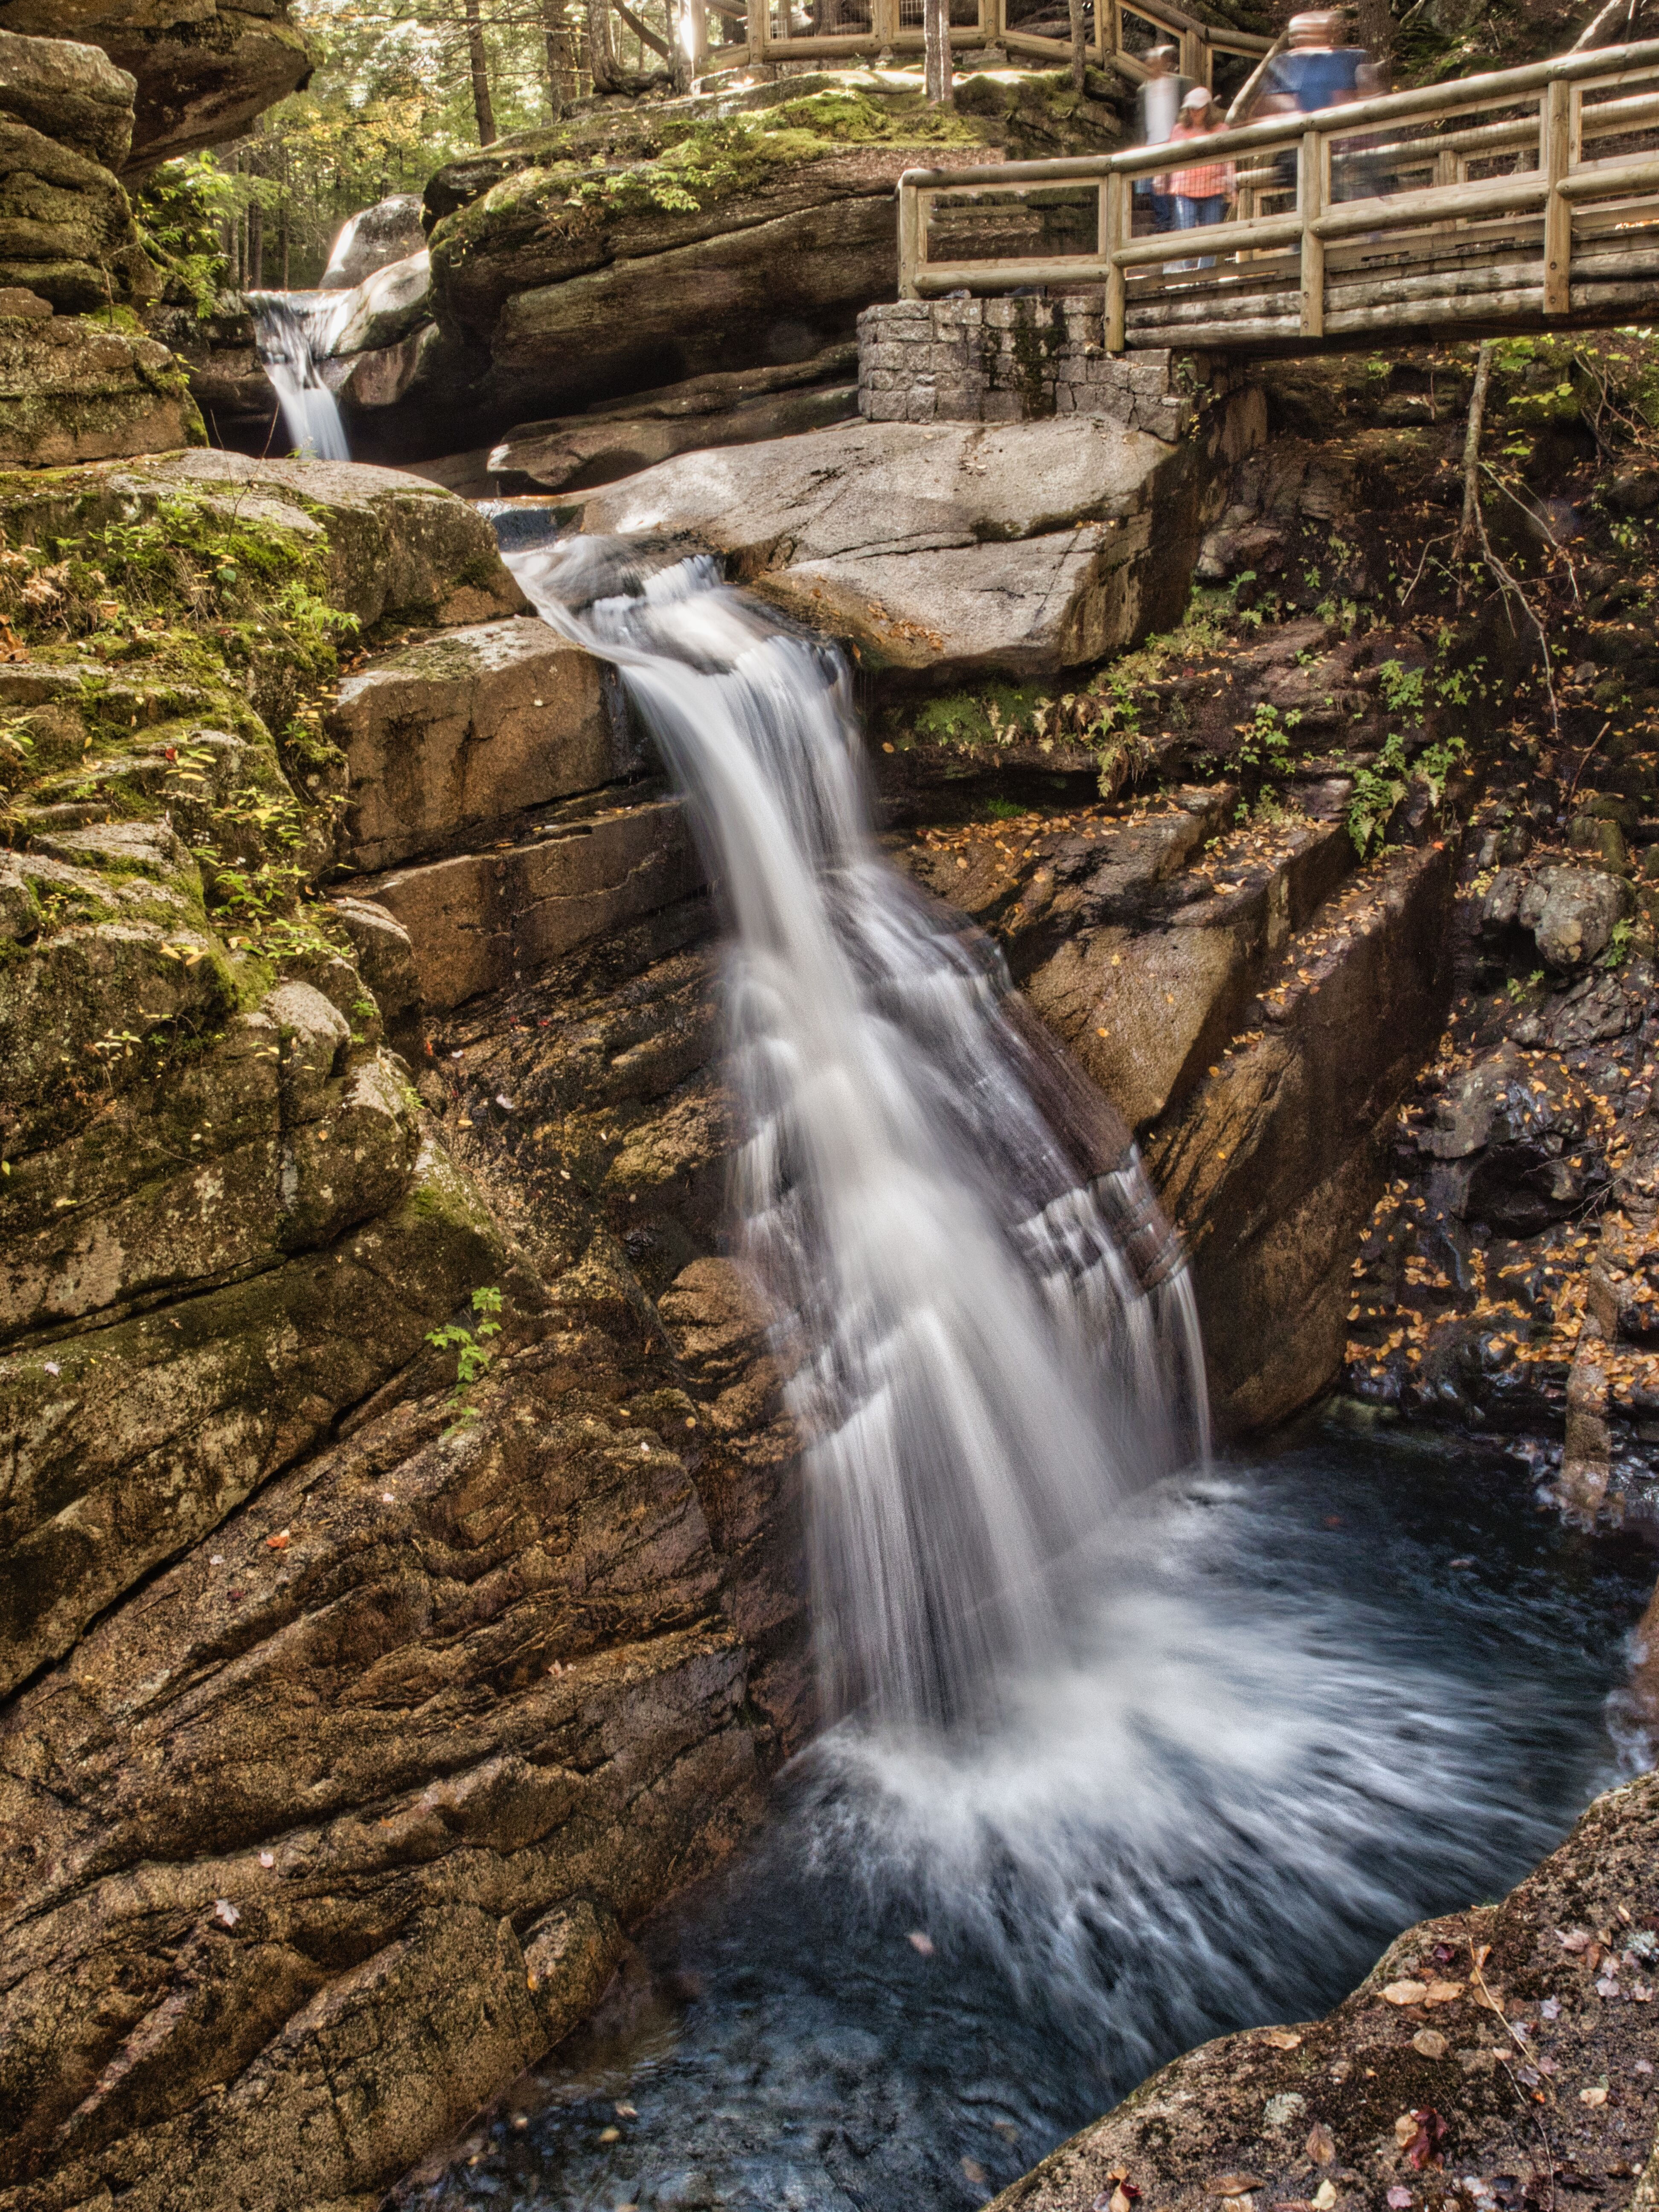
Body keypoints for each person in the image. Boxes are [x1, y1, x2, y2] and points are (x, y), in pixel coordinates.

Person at [1165, 85, 1234, 269]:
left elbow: (1229, 159)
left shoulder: (1221, 129)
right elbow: (1169, 158)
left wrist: (1231, 183)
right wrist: (1161, 178)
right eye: (1191, 108)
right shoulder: (1179, 131)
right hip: (1185, 190)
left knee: (1210, 238)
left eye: (1198, 107)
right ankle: (1188, 275)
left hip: (1214, 190)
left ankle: (1206, 278)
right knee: (1187, 236)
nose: (1194, 111)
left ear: (1208, 108)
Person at [1136, 45, 1191, 235]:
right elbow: (1141, 121)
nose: (1154, 66)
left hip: (1175, 139)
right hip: (1152, 142)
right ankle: (1164, 221)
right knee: (1155, 186)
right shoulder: (1143, 90)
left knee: (1176, 181)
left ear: (1165, 63)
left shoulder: (1180, 84)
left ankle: (1179, 221)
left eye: (1157, 62)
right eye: (1150, 63)